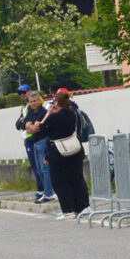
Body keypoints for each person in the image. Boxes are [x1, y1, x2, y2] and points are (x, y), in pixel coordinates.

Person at [27, 91, 90, 220]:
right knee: (77, 178)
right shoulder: (73, 114)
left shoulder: (54, 117)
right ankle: (83, 207)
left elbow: (41, 130)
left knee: (61, 181)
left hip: (58, 152)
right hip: (75, 149)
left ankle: (68, 210)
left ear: (56, 103)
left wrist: (48, 113)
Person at [23, 93, 54, 204]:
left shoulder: (43, 112)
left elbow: (35, 128)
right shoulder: (31, 112)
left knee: (45, 169)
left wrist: (31, 127)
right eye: (31, 102)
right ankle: (46, 192)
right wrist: (30, 127)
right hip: (35, 142)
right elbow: (26, 127)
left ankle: (49, 193)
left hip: (43, 141)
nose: (33, 103)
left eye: (35, 101)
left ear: (39, 101)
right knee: (39, 169)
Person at [15, 84, 44, 199]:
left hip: (36, 137)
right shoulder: (24, 107)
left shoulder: (34, 104)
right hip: (28, 137)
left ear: (30, 91)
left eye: (24, 92)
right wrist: (22, 122)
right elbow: (18, 124)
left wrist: (24, 123)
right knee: (35, 166)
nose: (22, 95)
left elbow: (29, 121)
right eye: (20, 93)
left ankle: (43, 189)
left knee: (40, 166)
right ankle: (40, 189)